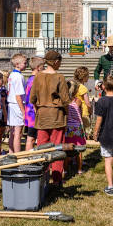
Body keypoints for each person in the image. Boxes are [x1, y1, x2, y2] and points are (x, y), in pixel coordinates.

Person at [30, 50, 70, 186]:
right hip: (57, 116)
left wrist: (38, 109)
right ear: (56, 62)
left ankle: (42, 178)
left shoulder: (38, 76)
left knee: (42, 148)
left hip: (42, 116)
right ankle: (57, 179)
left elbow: (32, 98)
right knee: (57, 148)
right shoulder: (60, 77)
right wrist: (67, 112)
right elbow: (65, 100)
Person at [64, 79, 86, 175]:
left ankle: (65, 169)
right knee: (79, 149)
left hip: (67, 127)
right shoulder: (78, 101)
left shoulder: (64, 101)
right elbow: (79, 114)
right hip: (77, 127)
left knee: (66, 149)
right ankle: (79, 169)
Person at [7, 54, 27, 154]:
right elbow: (18, 96)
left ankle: (11, 152)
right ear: (18, 64)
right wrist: (23, 112)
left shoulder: (11, 75)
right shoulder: (19, 77)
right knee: (18, 133)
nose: (26, 64)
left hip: (11, 104)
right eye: (25, 63)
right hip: (17, 105)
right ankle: (18, 155)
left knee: (13, 132)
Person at [24, 57, 44, 151]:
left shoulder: (30, 79)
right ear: (38, 67)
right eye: (43, 67)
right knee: (31, 138)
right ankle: (29, 158)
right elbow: (34, 98)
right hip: (33, 112)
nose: (44, 68)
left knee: (31, 137)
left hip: (29, 111)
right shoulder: (35, 80)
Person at [0, 70, 10, 156]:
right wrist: (6, 115)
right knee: (0, 132)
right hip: (3, 112)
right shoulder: (2, 89)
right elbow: (3, 103)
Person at [73, 66, 92, 138]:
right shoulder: (83, 88)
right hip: (84, 112)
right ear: (83, 77)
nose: (88, 77)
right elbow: (87, 103)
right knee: (87, 129)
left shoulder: (75, 86)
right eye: (87, 75)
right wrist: (90, 109)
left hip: (76, 111)